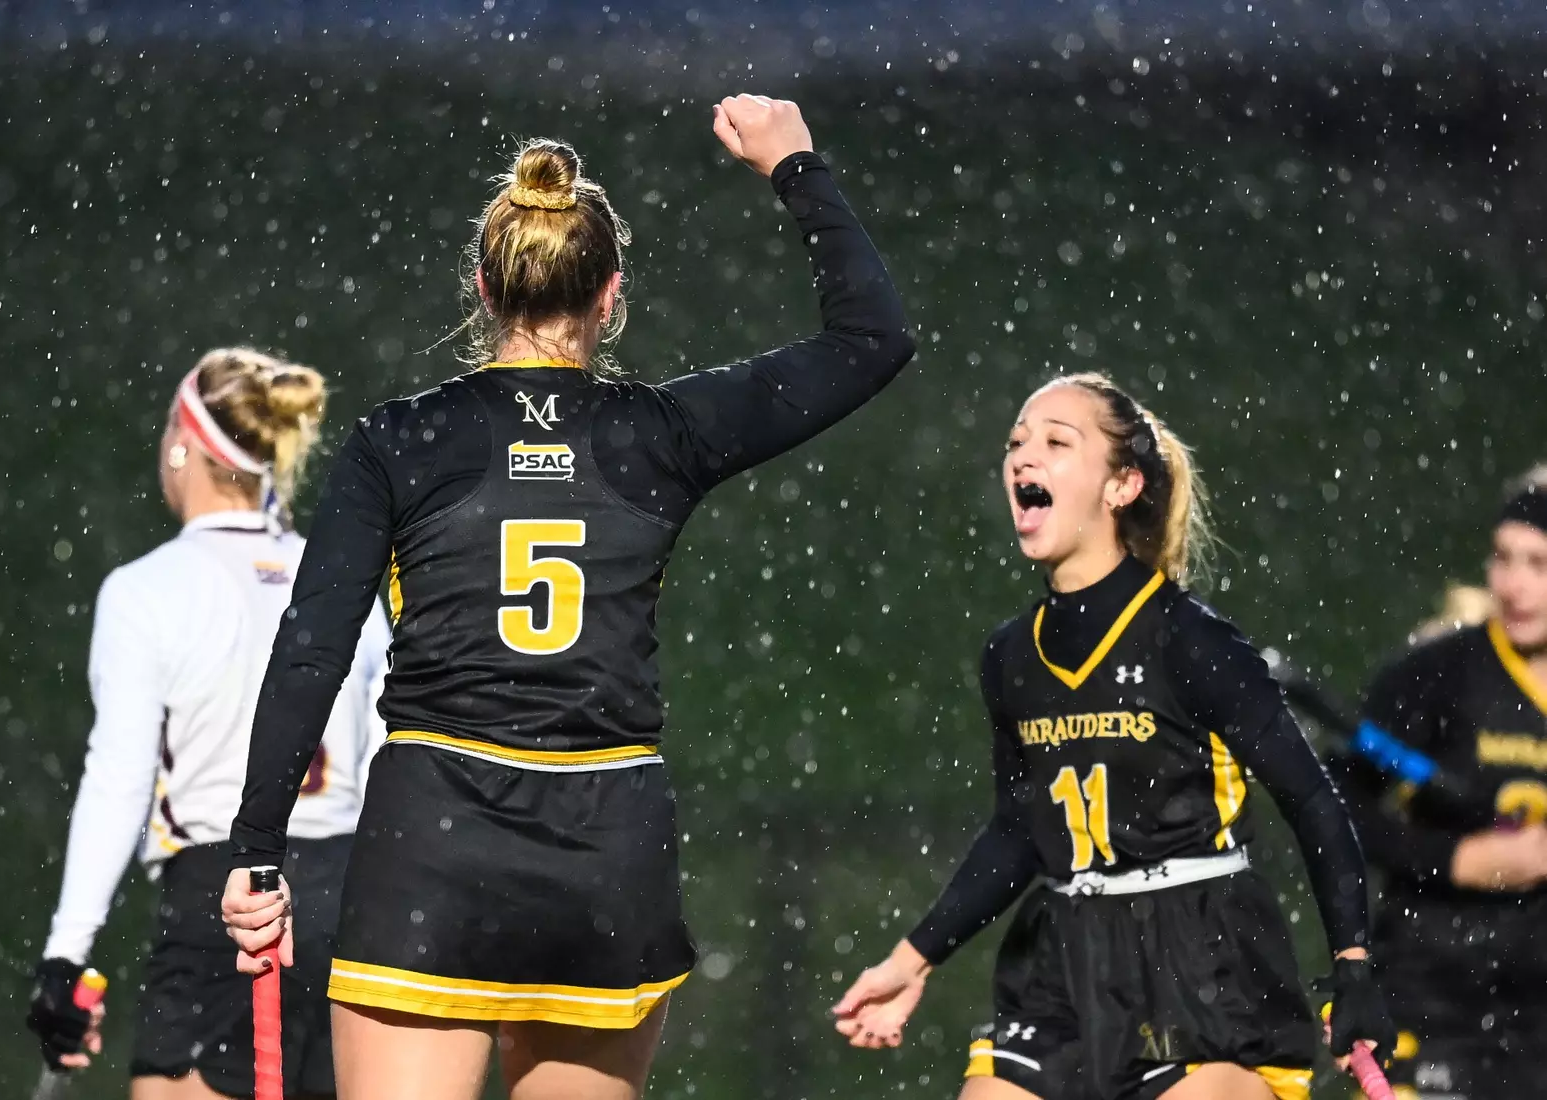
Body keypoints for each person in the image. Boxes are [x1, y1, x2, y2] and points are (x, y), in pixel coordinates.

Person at [220, 95, 914, 1100]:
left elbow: (312, 646)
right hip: (606, 841)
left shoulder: (399, 438)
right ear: (611, 293)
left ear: (484, 285)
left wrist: (256, 849)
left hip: (435, 838)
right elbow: (872, 337)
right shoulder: (663, 433)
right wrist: (794, 165)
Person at [832, 372, 1394, 1100]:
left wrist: (1353, 967)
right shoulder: (1010, 656)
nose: (1024, 457)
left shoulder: (1193, 641)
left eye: (1057, 442)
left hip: (1202, 960)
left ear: (1121, 486)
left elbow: (1314, 803)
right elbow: (1020, 831)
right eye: (1016, 443)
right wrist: (914, 958)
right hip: (1065, 953)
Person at [26, 349, 390, 1099]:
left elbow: (119, 779)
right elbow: (395, 754)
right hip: (354, 906)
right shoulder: (340, 577)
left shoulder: (146, 590)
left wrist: (66, 955)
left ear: (184, 442)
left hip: (225, 904)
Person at [1330, 468, 1547, 1099]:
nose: (1511, 584)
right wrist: (1458, 859)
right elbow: (1338, 805)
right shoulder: (1436, 675)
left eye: (1537, 563)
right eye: (1503, 557)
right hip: (1429, 1000)